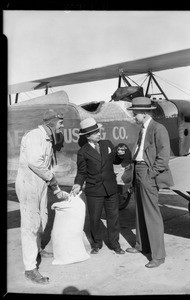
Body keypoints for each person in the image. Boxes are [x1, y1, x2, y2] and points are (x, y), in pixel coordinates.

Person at [15, 109, 70, 284]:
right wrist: (53, 181)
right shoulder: (35, 136)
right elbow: (35, 162)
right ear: (51, 123)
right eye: (60, 123)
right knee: (30, 224)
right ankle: (30, 268)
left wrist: (54, 188)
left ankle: (37, 249)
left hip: (40, 183)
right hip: (28, 184)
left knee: (42, 219)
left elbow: (46, 165)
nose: (62, 126)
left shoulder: (47, 138)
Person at [126, 97, 174, 268]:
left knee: (152, 214)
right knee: (140, 211)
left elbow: (163, 156)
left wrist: (150, 174)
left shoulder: (158, 128)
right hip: (138, 171)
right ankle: (141, 245)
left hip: (147, 172)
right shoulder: (143, 129)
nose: (134, 116)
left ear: (145, 113)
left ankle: (158, 256)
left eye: (135, 113)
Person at [71, 117, 126, 255]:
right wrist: (77, 184)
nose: (99, 134)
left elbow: (115, 159)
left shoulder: (106, 144)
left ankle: (115, 244)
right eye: (95, 132)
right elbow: (82, 172)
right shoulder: (83, 152)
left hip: (111, 188)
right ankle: (96, 244)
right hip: (94, 190)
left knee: (113, 218)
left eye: (98, 131)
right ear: (88, 136)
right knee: (95, 219)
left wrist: (120, 155)